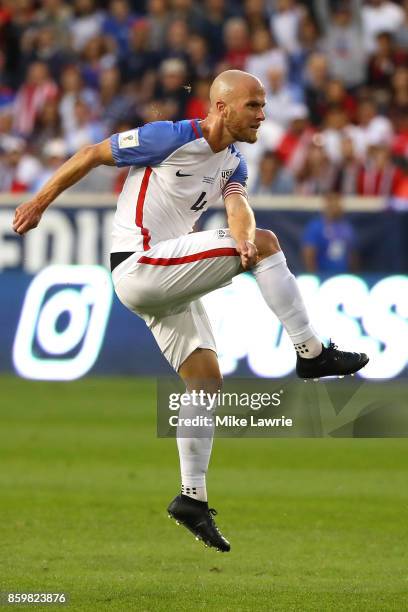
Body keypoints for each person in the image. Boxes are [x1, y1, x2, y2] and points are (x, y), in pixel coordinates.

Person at [12, 70, 369, 553]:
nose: (262, 115)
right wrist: (38, 202)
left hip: (167, 275)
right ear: (221, 107)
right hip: (138, 264)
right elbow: (90, 155)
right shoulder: (168, 137)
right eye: (253, 106)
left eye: (263, 106)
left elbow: (237, 208)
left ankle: (191, 498)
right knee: (267, 246)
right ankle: (311, 354)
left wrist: (242, 237)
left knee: (205, 379)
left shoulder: (235, 163)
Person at [302, 192, 358, 273]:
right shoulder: (316, 227)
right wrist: (313, 274)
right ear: (326, 205)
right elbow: (309, 253)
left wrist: (352, 274)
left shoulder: (347, 227)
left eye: (337, 203)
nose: (335, 206)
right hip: (323, 275)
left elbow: (352, 254)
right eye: (332, 203)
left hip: (343, 275)